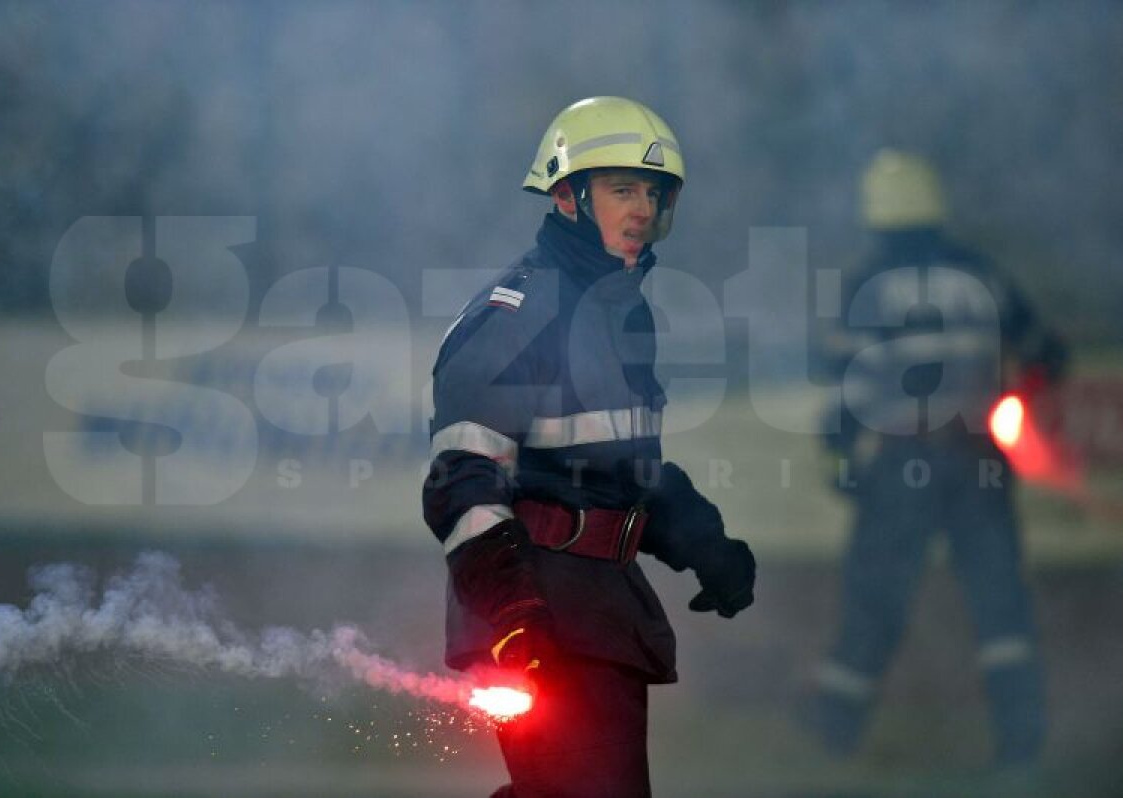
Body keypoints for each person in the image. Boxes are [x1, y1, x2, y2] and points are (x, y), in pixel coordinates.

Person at [422, 96, 756, 798]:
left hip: (598, 611)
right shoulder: (521, 310)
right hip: (542, 616)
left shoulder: (618, 311)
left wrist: (705, 545)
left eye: (653, 192)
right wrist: (515, 617)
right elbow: (460, 481)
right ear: (569, 195)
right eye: (623, 189)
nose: (642, 207)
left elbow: (619, 470)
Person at [802, 149, 1067, 767]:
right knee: (1000, 603)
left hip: (903, 463)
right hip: (980, 459)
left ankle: (833, 737)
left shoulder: (869, 282)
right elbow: (1048, 354)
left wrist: (838, 454)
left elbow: (848, 384)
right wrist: (1010, 401)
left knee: (874, 597)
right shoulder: (984, 274)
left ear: (877, 212)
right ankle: (1022, 743)